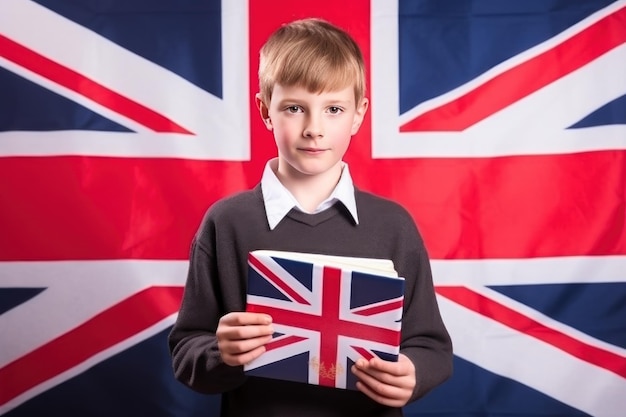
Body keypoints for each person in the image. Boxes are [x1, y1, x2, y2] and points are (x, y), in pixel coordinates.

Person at [168, 17, 452, 416]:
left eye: (334, 108)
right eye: (294, 108)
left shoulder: (394, 226)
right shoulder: (227, 223)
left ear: (358, 114)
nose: (314, 129)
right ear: (266, 111)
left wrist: (413, 372)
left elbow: (431, 345)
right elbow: (186, 351)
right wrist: (221, 352)